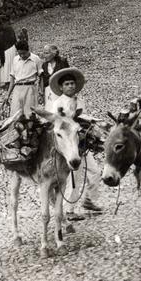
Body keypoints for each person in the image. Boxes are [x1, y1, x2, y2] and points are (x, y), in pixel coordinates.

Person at [49, 67, 103, 221]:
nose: (71, 86)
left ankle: (89, 200)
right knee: (74, 178)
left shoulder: (80, 101)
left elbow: (83, 120)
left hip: (83, 143)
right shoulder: (58, 104)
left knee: (96, 172)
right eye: (67, 84)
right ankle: (70, 211)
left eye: (72, 83)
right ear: (61, 87)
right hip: (70, 146)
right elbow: (58, 126)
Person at [3, 35, 43, 117]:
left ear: (28, 50)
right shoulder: (15, 60)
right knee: (15, 115)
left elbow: (41, 77)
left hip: (30, 88)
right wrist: (8, 95)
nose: (22, 56)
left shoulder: (36, 59)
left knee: (30, 115)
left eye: (24, 53)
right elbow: (12, 78)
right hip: (17, 89)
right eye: (19, 53)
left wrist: (41, 92)